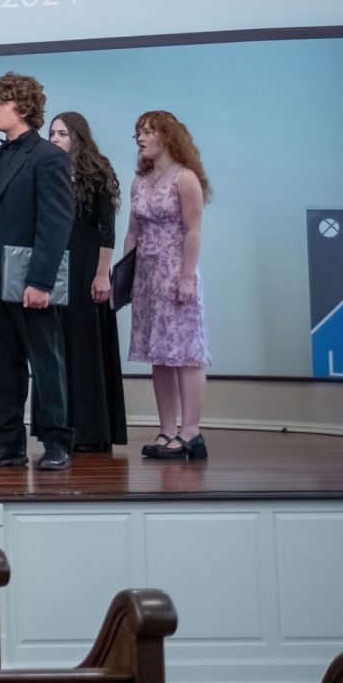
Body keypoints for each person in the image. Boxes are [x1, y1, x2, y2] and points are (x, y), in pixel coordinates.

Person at [0, 71, 76, 472]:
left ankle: (56, 442)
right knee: (3, 366)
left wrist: (41, 281)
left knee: (47, 362)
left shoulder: (49, 157)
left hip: (32, 279)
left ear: (24, 107)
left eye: (1, 101)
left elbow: (55, 223)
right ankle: (8, 441)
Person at [128, 110, 212, 461]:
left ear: (167, 136)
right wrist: (126, 275)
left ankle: (191, 431)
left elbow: (193, 230)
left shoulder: (185, 178)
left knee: (186, 354)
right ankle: (166, 429)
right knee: (159, 356)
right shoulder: (140, 180)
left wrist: (187, 276)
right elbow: (133, 231)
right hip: (147, 275)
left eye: (148, 132)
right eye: (139, 133)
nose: (141, 138)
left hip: (177, 270)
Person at [50, 110, 128, 455]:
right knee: (59, 346)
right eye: (52, 133)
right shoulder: (49, 171)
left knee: (87, 346)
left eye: (62, 134)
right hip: (55, 261)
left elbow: (106, 229)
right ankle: (61, 427)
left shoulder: (97, 172)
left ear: (77, 137)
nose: (54, 139)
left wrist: (101, 273)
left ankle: (92, 429)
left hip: (86, 261)